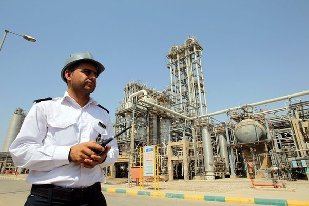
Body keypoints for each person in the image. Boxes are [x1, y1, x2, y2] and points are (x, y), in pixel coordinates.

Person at [9, 52, 119, 206]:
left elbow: (113, 150)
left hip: (93, 198)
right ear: (68, 74)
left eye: (95, 74)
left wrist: (102, 158)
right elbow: (21, 152)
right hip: (49, 198)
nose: (93, 77)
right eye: (87, 72)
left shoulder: (102, 114)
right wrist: (68, 154)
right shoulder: (45, 108)